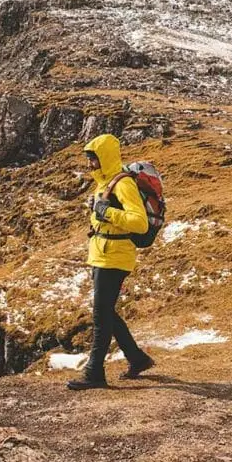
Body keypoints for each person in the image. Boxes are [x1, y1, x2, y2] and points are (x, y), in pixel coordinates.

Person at [67, 134, 155, 391]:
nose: (90, 164)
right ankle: (137, 358)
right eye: (88, 160)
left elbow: (139, 222)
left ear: (105, 158)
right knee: (105, 311)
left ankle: (94, 372)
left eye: (93, 159)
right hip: (102, 252)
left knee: (100, 313)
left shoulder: (123, 184)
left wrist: (107, 212)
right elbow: (103, 218)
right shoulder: (104, 183)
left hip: (115, 255)